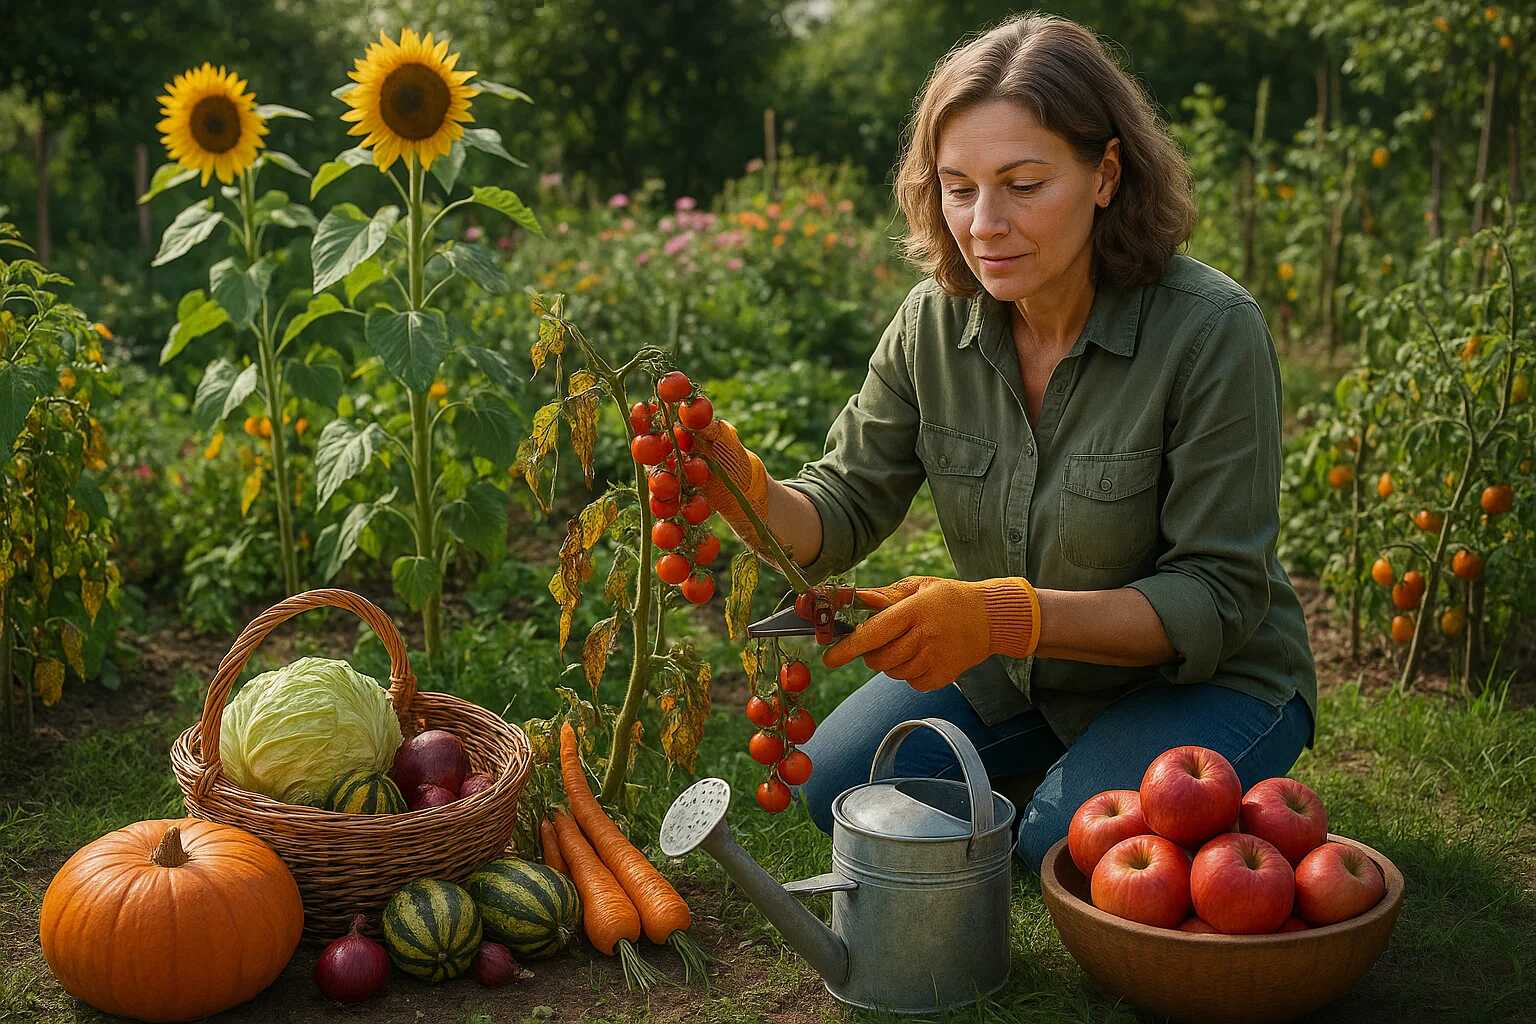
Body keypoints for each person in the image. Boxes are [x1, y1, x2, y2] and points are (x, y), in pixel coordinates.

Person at [695, 12, 1316, 873]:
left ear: (1104, 174)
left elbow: (1217, 597)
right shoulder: (934, 324)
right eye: (958, 187)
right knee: (840, 787)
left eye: (1023, 185)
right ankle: (1070, 774)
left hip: (1204, 680)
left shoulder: (1211, 332)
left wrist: (1000, 617)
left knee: (1057, 852)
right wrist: (741, 485)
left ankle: (1100, 786)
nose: (984, 223)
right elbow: (837, 510)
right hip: (1023, 678)